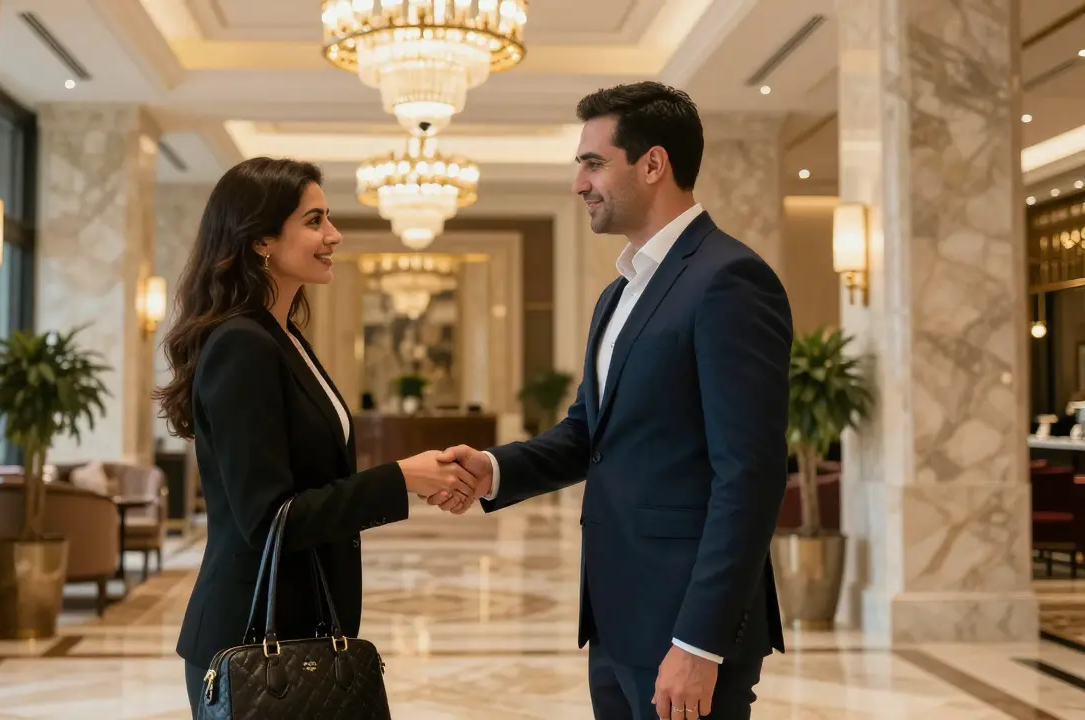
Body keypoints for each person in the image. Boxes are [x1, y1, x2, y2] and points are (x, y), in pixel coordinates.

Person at [432, 82, 792, 720]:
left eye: (593, 162)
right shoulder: (617, 293)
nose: (579, 182)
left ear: (652, 164)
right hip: (617, 616)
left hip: (685, 627)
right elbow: (589, 434)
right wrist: (495, 469)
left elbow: (751, 476)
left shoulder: (729, 280)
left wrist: (699, 641)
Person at [155, 157, 479, 716]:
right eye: (314, 221)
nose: (334, 235)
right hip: (252, 642)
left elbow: (314, 480)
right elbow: (269, 517)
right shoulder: (242, 343)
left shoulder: (282, 336)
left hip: (302, 628)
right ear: (260, 239)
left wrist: (414, 480)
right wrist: (400, 479)